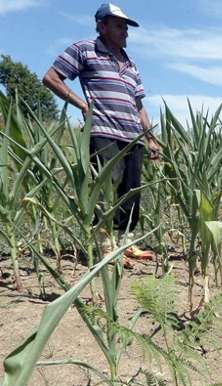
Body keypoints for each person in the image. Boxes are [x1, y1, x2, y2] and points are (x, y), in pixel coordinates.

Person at [42, 3, 159, 266]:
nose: (125, 32)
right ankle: (106, 247)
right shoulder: (84, 49)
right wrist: (82, 105)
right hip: (103, 130)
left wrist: (150, 137)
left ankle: (126, 243)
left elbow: (138, 105)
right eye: (119, 26)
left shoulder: (131, 65)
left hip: (133, 136)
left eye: (126, 27)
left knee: (131, 190)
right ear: (101, 26)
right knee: (106, 188)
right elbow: (51, 78)